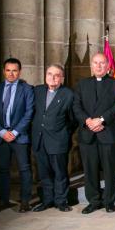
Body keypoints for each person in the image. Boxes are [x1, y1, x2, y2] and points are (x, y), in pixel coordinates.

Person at [73, 53, 115, 214]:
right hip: (87, 133)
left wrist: (101, 120)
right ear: (91, 65)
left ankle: (109, 201)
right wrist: (88, 121)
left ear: (108, 66)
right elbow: (76, 105)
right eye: (95, 63)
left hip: (107, 131)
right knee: (90, 170)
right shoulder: (82, 84)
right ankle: (94, 201)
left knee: (109, 169)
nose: (98, 66)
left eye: (102, 63)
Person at [0, 58, 34, 213]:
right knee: (2, 170)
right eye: (8, 70)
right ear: (4, 71)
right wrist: (1, 132)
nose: (11, 73)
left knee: (24, 169)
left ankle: (25, 201)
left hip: (19, 136)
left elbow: (29, 112)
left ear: (19, 71)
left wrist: (14, 132)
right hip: (0, 136)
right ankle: (3, 201)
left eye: (14, 70)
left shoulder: (27, 89)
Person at [31, 64, 75, 212]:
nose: (53, 77)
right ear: (45, 76)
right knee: (44, 173)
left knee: (60, 172)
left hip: (58, 140)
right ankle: (47, 201)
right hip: (39, 139)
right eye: (49, 74)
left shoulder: (68, 94)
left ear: (62, 78)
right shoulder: (37, 91)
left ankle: (61, 201)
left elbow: (73, 119)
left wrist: (63, 133)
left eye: (57, 75)